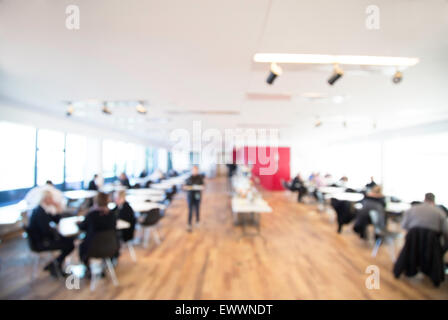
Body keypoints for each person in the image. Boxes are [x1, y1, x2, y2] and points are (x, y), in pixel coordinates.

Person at [28, 190, 75, 277]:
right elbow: (46, 231)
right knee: (69, 244)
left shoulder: (43, 209)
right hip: (41, 242)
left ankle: (55, 264)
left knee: (69, 241)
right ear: (44, 199)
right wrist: (58, 235)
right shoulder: (39, 211)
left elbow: (56, 219)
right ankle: (55, 265)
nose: (52, 200)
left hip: (44, 239)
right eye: (50, 198)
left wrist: (57, 207)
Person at [78, 192, 118, 278]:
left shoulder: (91, 215)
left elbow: (82, 227)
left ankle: (88, 267)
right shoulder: (112, 215)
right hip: (111, 247)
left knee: (82, 245)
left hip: (92, 249)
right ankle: (102, 267)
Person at [184, 166, 205, 232]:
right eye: (194, 170)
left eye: (196, 170)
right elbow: (185, 187)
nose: (195, 171)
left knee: (197, 209)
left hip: (197, 195)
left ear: (198, 171)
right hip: (190, 196)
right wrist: (188, 187)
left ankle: (197, 221)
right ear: (191, 170)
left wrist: (200, 187)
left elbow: (203, 186)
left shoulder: (200, 178)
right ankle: (189, 223)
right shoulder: (188, 178)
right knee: (190, 210)